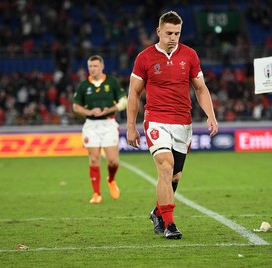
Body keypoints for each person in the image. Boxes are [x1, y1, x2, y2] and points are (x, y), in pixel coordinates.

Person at [126, 11, 218, 239]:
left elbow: (200, 88)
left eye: (177, 33)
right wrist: (130, 125)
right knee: (165, 168)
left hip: (182, 123)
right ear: (158, 32)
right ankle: (169, 224)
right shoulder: (144, 58)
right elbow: (134, 94)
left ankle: (157, 212)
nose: (173, 37)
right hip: (156, 120)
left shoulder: (189, 55)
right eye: (168, 33)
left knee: (175, 177)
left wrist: (211, 115)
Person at [73, 55, 127, 204]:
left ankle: (111, 179)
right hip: (91, 125)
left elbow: (124, 101)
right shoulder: (84, 86)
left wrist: (110, 109)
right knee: (94, 159)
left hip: (109, 124)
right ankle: (96, 193)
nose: (93, 69)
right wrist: (89, 112)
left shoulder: (112, 82)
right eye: (90, 66)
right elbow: (76, 106)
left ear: (102, 67)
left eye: (95, 66)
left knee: (113, 161)